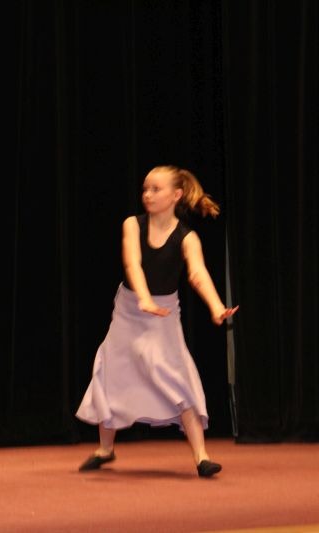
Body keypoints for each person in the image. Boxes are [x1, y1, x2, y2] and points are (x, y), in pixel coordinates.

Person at [76, 165, 237, 478]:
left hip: (163, 315)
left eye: (156, 189)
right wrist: (143, 298)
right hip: (129, 309)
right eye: (145, 189)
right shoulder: (133, 225)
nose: (147, 195)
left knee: (178, 377)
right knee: (111, 372)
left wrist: (217, 305)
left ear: (176, 195)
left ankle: (202, 457)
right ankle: (105, 449)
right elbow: (132, 264)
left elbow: (198, 273)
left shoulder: (187, 237)